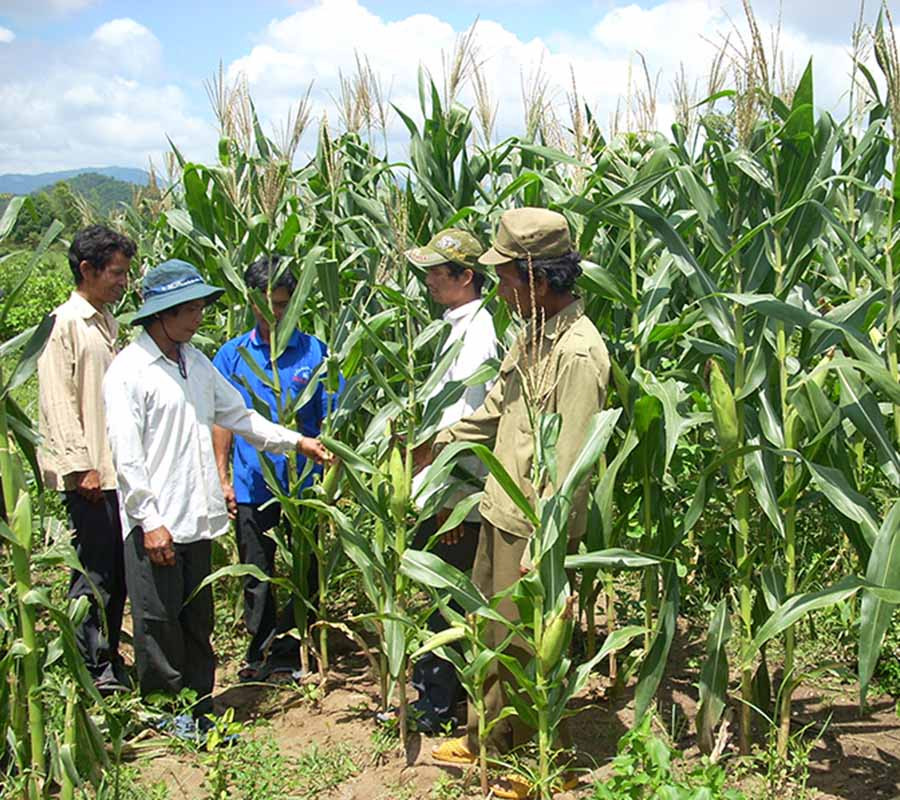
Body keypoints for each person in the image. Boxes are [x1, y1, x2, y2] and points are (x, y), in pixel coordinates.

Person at [102, 259, 332, 735]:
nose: (200, 316)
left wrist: (297, 442)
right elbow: (127, 458)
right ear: (162, 314)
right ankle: (167, 712)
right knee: (159, 622)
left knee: (195, 621)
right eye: (191, 309)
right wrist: (149, 520)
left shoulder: (197, 364)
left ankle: (199, 703)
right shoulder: (130, 371)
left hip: (197, 518)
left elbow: (241, 417)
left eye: (201, 306)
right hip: (158, 522)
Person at [428, 209, 610, 792]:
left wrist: (544, 541)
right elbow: (494, 414)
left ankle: (526, 766)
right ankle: (486, 741)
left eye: (505, 278)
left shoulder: (577, 353)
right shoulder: (531, 334)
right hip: (500, 509)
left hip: (536, 526)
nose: (499, 290)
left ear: (536, 277)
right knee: (492, 634)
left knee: (526, 648)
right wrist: (435, 444)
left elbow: (571, 462)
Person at [212, 256, 341, 682]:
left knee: (306, 567)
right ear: (251, 301)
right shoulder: (232, 355)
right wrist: (223, 477)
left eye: (284, 304)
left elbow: (328, 417)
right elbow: (222, 419)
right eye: (268, 305)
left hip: (304, 481)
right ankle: (261, 651)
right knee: (258, 571)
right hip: (253, 482)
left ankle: (299, 646)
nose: (276, 314)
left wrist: (331, 479)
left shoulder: (313, 351)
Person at [404, 228, 498, 732]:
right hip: (441, 486)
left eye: (436, 273)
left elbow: (472, 418)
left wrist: (453, 497)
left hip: (453, 493)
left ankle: (438, 706)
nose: (428, 282)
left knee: (448, 601)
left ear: (466, 276)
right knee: (442, 597)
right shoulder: (453, 327)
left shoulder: (477, 334)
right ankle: (439, 696)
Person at [37, 224, 136, 694]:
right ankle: (92, 665)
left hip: (113, 471)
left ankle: (108, 656)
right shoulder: (65, 325)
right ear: (87, 270)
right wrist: (81, 467)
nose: (123, 282)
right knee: (94, 572)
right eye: (116, 273)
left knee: (115, 570)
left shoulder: (106, 323)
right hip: (91, 474)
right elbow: (57, 401)